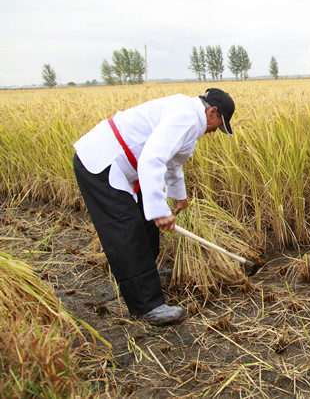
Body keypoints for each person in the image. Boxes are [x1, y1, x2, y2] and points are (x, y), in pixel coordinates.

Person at [73, 88, 235, 326]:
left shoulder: (189, 116)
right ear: (212, 111)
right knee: (126, 229)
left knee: (144, 223)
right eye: (219, 125)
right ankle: (147, 305)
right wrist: (159, 210)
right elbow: (152, 158)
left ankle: (148, 273)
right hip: (102, 161)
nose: (215, 132)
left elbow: (172, 163)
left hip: (124, 166)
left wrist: (179, 197)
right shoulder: (186, 117)